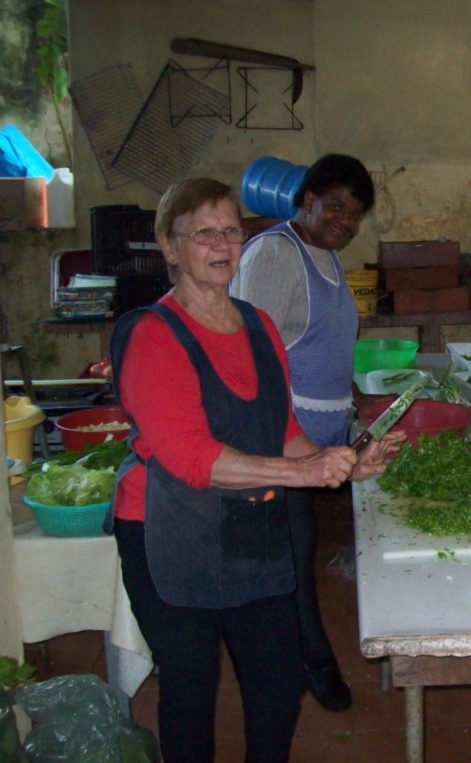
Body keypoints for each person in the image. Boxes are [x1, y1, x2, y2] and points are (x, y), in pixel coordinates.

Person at [107, 178, 401, 763]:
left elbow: (282, 428)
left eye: (231, 231)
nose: (221, 244)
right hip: (170, 534)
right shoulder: (152, 336)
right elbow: (190, 458)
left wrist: (345, 465)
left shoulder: (258, 325)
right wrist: (305, 474)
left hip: (251, 527)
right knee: (190, 686)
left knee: (278, 682)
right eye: (203, 233)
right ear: (169, 246)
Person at [230, 154, 376, 711]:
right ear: (306, 199)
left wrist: (357, 403)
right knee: (292, 559)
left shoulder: (327, 256)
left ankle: (289, 660)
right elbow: (250, 358)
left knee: (292, 556)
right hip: (280, 444)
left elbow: (325, 347)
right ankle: (314, 663)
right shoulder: (275, 253)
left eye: (355, 214)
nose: (346, 221)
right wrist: (281, 451)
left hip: (316, 446)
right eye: (336, 206)